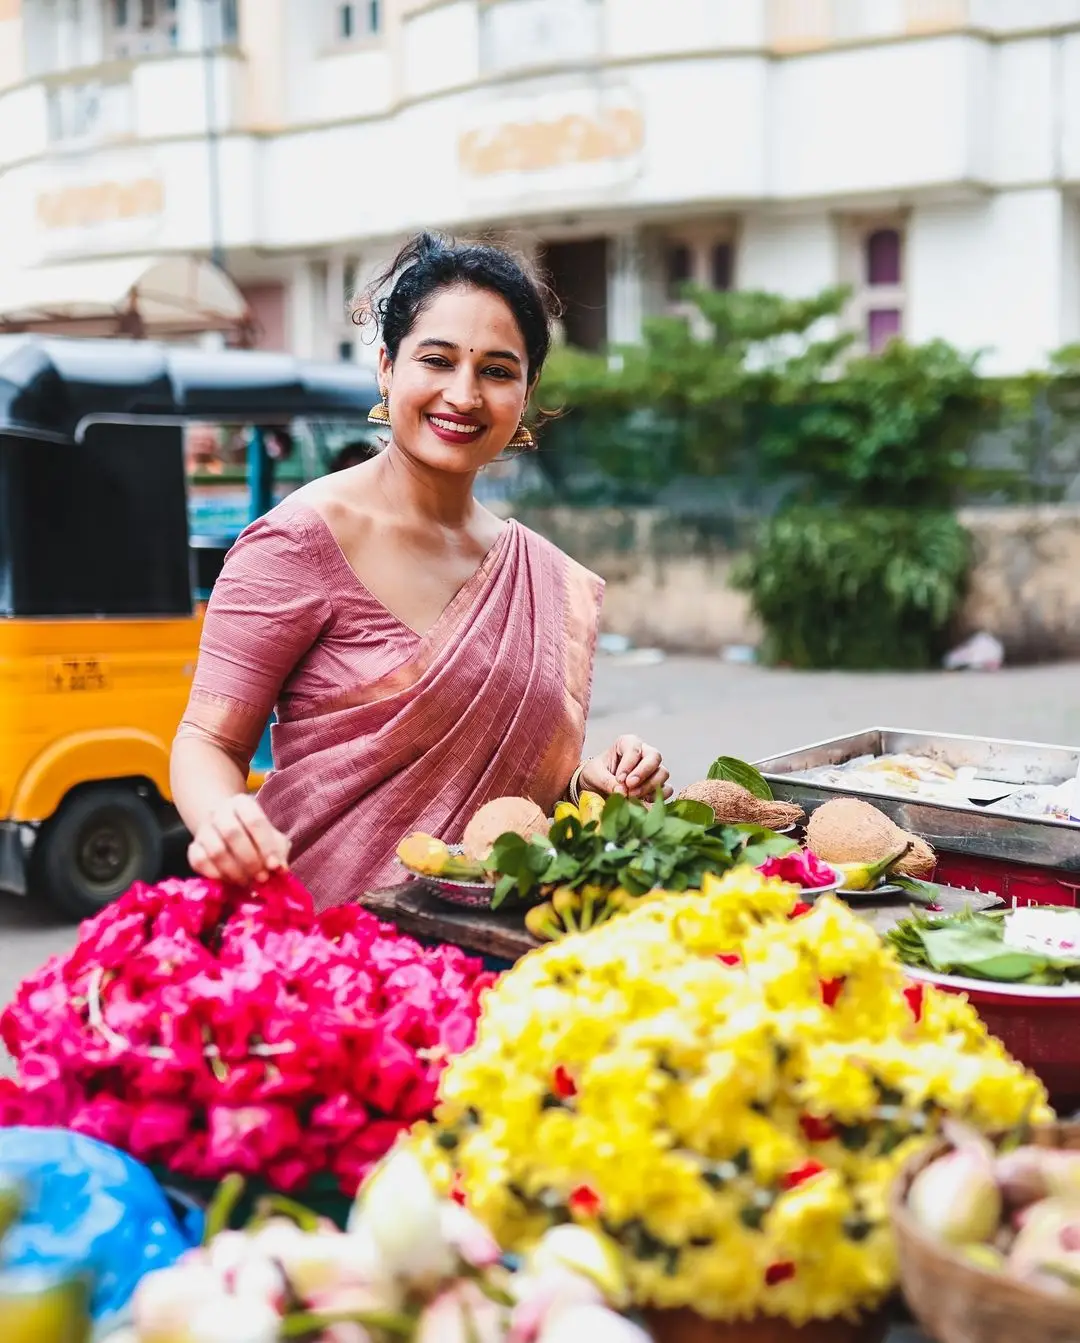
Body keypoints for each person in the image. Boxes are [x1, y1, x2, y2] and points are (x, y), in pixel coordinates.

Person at [171, 232, 669, 909]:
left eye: (497, 370)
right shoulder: (298, 542)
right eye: (436, 360)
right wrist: (223, 818)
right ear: (386, 367)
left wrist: (592, 786)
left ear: (526, 392)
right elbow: (208, 741)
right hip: (328, 951)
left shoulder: (543, 576)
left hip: (500, 953)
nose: (463, 395)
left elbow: (519, 803)